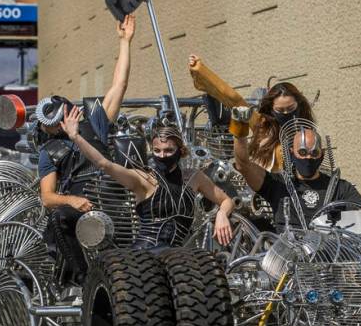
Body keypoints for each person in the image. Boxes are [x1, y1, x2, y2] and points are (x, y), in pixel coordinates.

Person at [36, 14, 135, 281]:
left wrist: (125, 42)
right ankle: (83, 280)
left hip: (114, 199)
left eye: (62, 115)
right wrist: (71, 200)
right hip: (82, 206)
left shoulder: (95, 119)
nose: (60, 124)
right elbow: (47, 197)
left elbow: (119, 85)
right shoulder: (50, 151)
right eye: (53, 125)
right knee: (58, 219)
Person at [61, 106, 235, 250]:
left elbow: (227, 200)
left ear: (181, 152)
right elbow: (103, 164)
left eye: (168, 151)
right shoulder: (143, 179)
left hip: (179, 257)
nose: (162, 155)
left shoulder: (194, 177)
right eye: (157, 151)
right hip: (146, 255)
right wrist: (75, 137)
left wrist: (222, 214)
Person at [230, 110, 361, 230]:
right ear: (291, 153)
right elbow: (243, 165)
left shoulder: (340, 187)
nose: (308, 157)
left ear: (322, 154)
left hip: (330, 253)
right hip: (290, 255)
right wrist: (240, 129)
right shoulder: (277, 184)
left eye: (314, 153)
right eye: (302, 152)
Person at [188, 54, 316, 172]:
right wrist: (200, 70)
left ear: (299, 104)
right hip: (263, 188)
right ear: (271, 109)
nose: (286, 113)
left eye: (291, 108)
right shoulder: (262, 125)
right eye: (280, 110)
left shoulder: (310, 134)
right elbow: (234, 99)